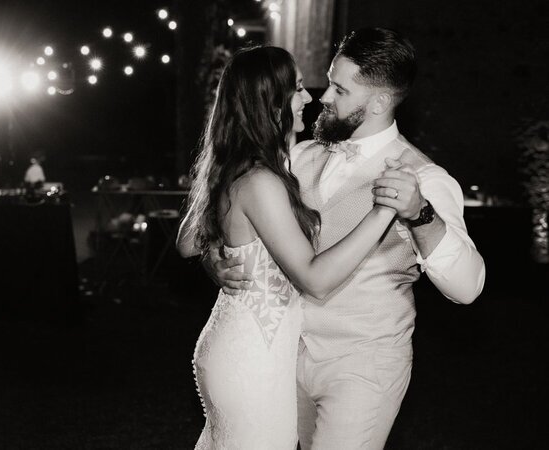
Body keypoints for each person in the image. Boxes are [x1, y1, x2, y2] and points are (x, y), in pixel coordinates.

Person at [211, 28, 486, 449]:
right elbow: (240, 213)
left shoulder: (426, 178)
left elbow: (468, 287)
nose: (324, 97)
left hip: (364, 363)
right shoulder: (301, 157)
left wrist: (422, 215)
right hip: (285, 355)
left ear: (377, 102)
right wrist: (219, 257)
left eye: (340, 89)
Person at [177, 46, 405, 450]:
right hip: (252, 360)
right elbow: (314, 279)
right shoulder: (261, 181)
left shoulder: (251, 167)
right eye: (297, 88)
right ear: (271, 101)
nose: (308, 97)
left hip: (244, 348)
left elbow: (186, 242)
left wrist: (219, 250)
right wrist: (384, 210)